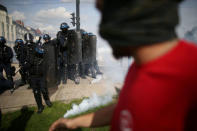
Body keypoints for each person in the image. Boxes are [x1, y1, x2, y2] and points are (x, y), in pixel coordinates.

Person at [49, 0, 197, 131]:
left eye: (106, 15)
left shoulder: (191, 72)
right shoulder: (139, 66)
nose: (103, 29)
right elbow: (126, 108)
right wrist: (73, 122)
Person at [25, 38, 52, 114]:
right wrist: (26, 66)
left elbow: (48, 66)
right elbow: (27, 66)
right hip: (33, 77)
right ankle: (40, 106)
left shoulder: (45, 56)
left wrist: (47, 75)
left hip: (42, 76)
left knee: (44, 89)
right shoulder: (31, 56)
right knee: (36, 92)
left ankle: (47, 100)